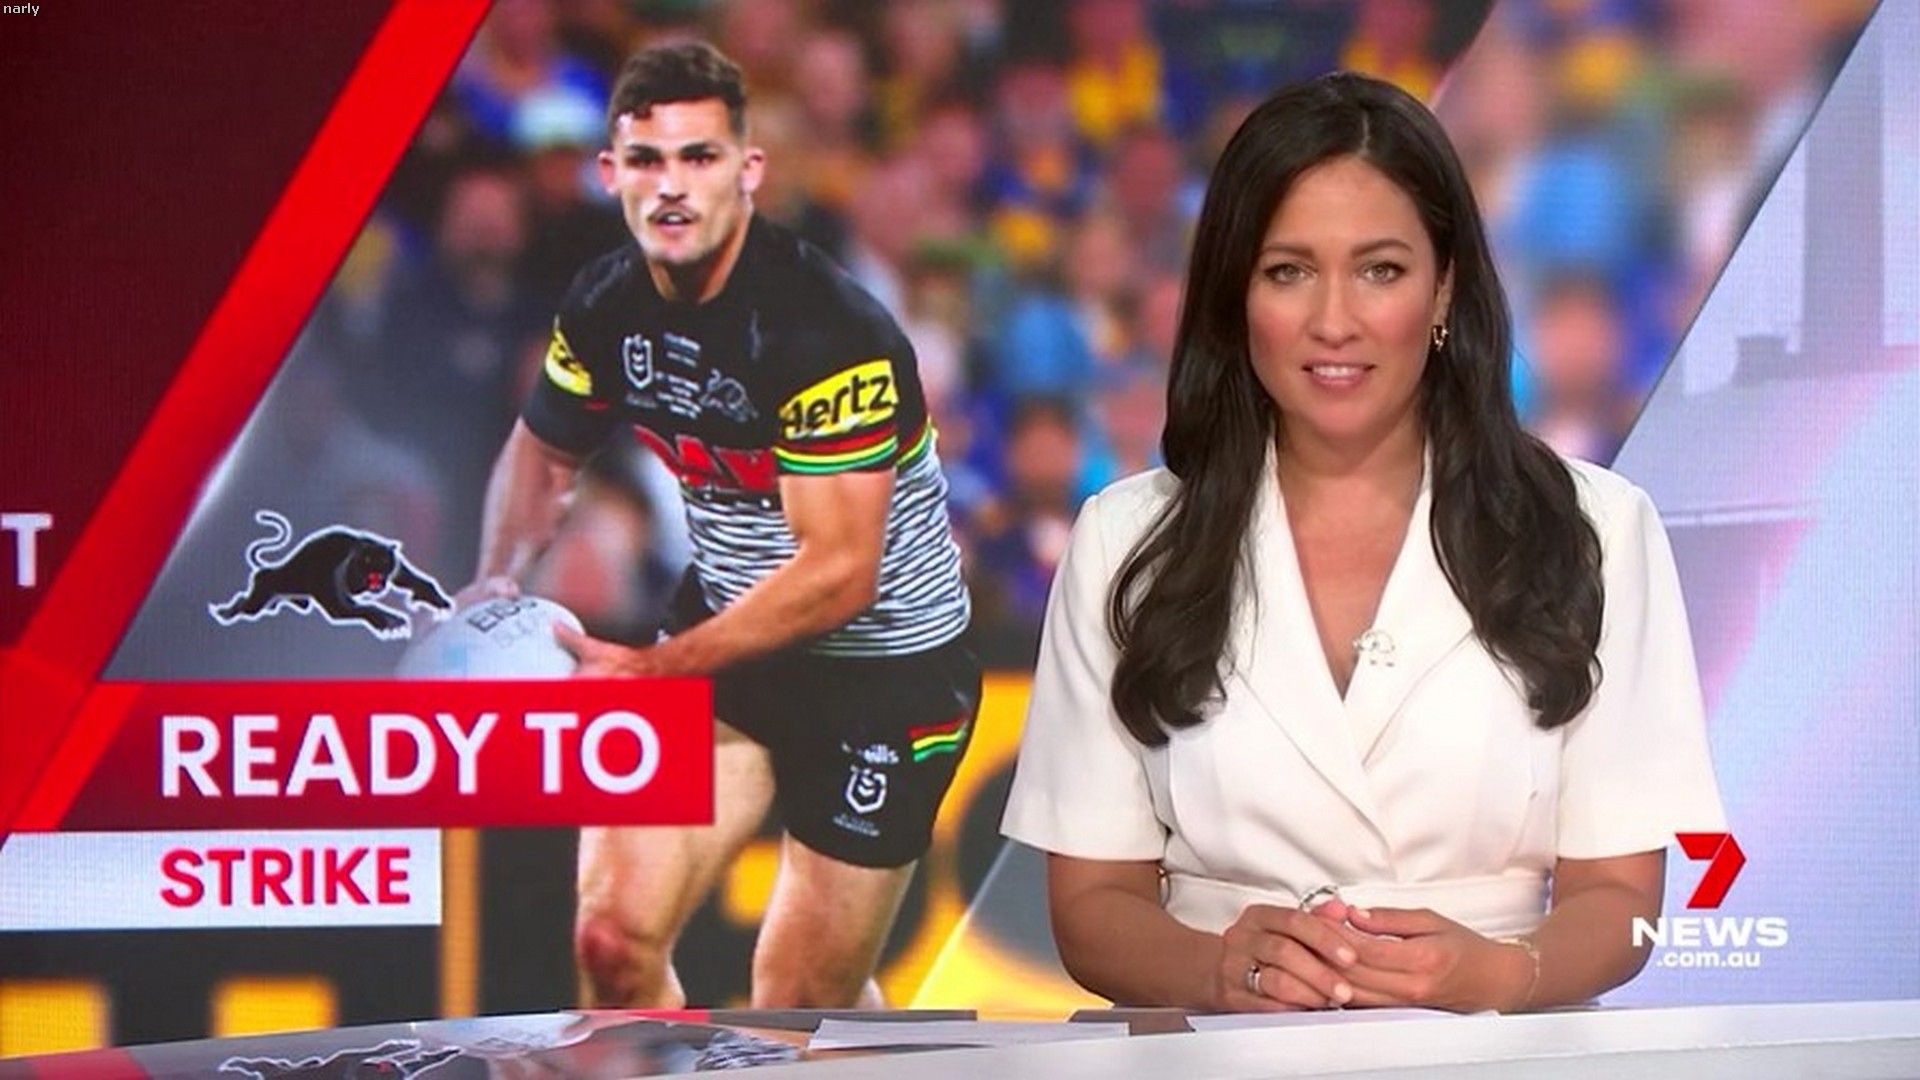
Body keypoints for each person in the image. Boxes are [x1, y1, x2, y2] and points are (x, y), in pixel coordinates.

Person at [1000, 72, 1724, 1014]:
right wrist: (1217, 971)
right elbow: (1093, 903)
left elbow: (1623, 901)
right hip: (1214, 1055)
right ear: (1235, 294)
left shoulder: (1596, 530)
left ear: (1444, 287)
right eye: (1288, 271)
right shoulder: (1126, 540)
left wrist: (1498, 973)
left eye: (1380, 270)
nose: (1333, 321)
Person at [468, 41, 980, 1009]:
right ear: (612, 173)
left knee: (798, 1005)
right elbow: (544, 451)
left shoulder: (828, 332)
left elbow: (840, 574)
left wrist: (660, 666)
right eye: (648, 160)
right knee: (611, 943)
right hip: (726, 635)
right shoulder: (606, 303)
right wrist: (493, 578)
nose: (672, 185)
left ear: (748, 171)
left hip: (884, 671)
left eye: (699, 157)